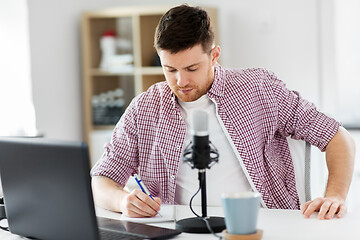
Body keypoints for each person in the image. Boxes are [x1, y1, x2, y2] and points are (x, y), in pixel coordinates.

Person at [91, 4, 355, 220]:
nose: (181, 81)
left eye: (192, 68)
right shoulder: (145, 108)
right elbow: (101, 179)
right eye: (170, 69)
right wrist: (123, 200)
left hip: (261, 225)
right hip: (177, 228)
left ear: (214, 55)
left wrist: (335, 195)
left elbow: (337, 136)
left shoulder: (259, 88)